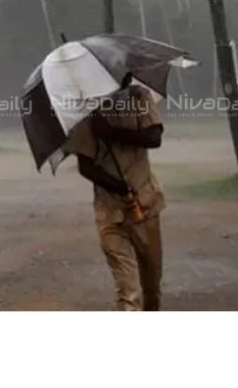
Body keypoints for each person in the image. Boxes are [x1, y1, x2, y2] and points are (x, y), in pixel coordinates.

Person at [67, 72, 165, 311]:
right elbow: (85, 166)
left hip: (146, 205)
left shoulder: (140, 97)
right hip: (109, 212)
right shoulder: (87, 111)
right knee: (129, 291)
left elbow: (154, 137)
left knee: (151, 285)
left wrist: (113, 132)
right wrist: (117, 186)